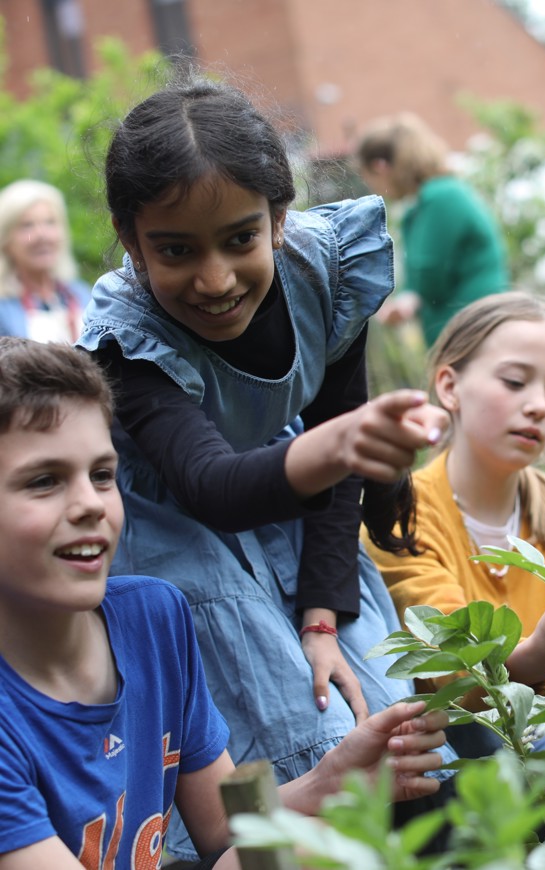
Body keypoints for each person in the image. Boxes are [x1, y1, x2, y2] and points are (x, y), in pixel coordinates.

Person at [75, 73, 457, 860]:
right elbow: (212, 488)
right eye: (175, 251)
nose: (213, 280)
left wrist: (322, 615)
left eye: (239, 239)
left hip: (297, 507)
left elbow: (332, 446)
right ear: (129, 235)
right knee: (291, 735)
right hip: (184, 541)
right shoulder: (128, 340)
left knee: (381, 718)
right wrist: (336, 446)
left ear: (280, 220)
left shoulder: (330, 270)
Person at [0, 336, 451, 870]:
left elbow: (220, 822)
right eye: (44, 481)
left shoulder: (153, 618)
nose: (89, 506)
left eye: (102, 475)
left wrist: (331, 782)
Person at [362, 290, 545, 756]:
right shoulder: (401, 516)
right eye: (516, 382)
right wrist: (539, 655)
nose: (539, 405)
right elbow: (453, 681)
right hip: (462, 750)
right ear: (450, 387)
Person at [355, 112, 509, 347]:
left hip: (477, 331)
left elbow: (429, 270)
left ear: (380, 168)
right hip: (462, 332)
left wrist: (408, 299)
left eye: (368, 177)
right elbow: (421, 278)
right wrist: (407, 297)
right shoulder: (424, 203)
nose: (372, 186)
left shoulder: (442, 196)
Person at [0, 179, 91, 341]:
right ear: (6, 240)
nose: (42, 236)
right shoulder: (3, 308)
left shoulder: (84, 295)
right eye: (27, 225)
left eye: (50, 222)